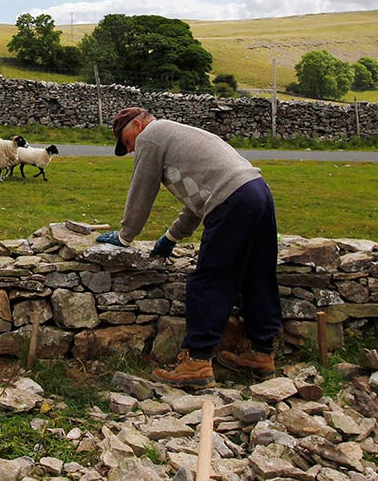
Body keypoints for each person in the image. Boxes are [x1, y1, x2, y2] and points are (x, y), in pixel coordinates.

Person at [96, 107, 282, 389]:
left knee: (210, 279)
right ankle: (262, 355)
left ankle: (196, 362)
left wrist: (125, 235)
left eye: (126, 141)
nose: (131, 149)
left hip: (232, 199)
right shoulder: (177, 133)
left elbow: (142, 189)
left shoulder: (152, 136)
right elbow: (199, 200)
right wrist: (171, 237)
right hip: (257, 190)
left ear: (137, 125)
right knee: (258, 274)